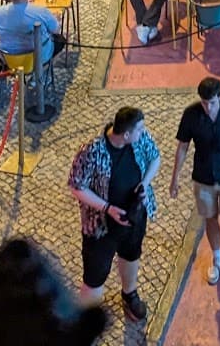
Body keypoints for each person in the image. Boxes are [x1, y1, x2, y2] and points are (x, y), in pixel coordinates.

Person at [68, 106, 161, 321]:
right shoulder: (92, 151)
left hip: (134, 218)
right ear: (126, 134)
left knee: (131, 254)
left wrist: (145, 184)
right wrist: (107, 208)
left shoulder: (139, 139)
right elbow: (76, 186)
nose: (144, 132)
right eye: (139, 129)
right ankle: (86, 322)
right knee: (94, 276)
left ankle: (129, 294)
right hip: (101, 227)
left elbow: (155, 158)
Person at [168, 76, 220, 286]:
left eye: (212, 103)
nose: (208, 107)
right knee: (210, 218)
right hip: (203, 179)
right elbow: (183, 146)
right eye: (204, 103)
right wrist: (175, 177)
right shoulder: (191, 114)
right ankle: (217, 258)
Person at [0, 0, 64, 66]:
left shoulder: (0, 12)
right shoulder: (41, 12)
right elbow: (55, 30)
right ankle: (46, 70)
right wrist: (57, 19)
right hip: (36, 57)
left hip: (8, 59)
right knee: (60, 40)